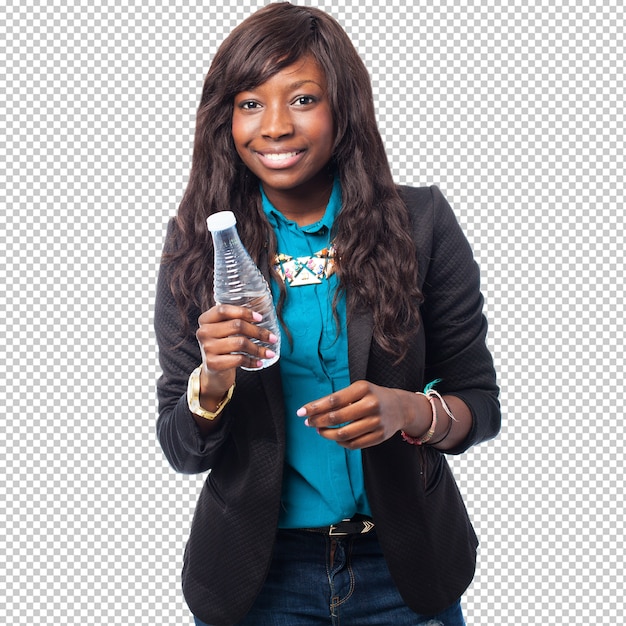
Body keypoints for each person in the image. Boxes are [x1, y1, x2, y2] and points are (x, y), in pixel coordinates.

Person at [155, 3, 500, 625]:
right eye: (250, 103)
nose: (275, 127)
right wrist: (210, 382)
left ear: (344, 108)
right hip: (258, 577)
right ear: (225, 119)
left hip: (403, 569)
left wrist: (409, 411)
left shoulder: (421, 226)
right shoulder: (198, 244)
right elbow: (182, 450)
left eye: (303, 99)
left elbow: (480, 404)